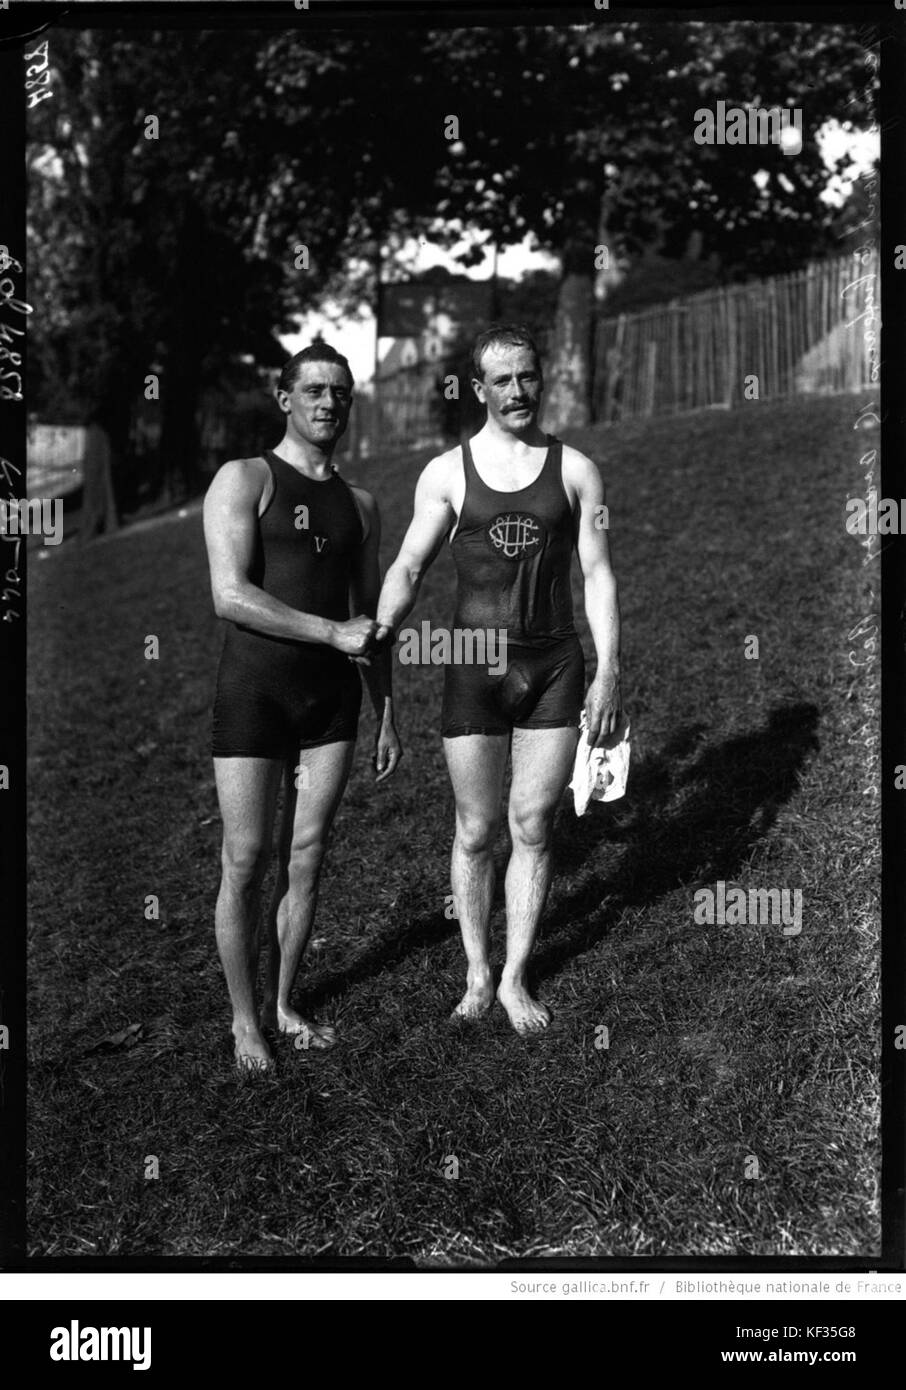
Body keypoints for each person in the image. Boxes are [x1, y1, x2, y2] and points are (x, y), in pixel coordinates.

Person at [376, 325, 621, 1035]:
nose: (518, 391)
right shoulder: (445, 474)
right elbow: (409, 566)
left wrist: (610, 670)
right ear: (477, 389)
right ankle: (476, 971)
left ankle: (515, 977)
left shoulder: (577, 470)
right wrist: (384, 623)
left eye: (528, 376)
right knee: (479, 829)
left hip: (553, 662)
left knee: (534, 825)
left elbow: (598, 570)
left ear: (541, 380)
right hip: (474, 663)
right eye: (502, 380)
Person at [203, 343, 402, 1072]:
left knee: (307, 857)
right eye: (314, 390)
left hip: (331, 705)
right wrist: (329, 632)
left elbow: (370, 620)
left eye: (341, 393)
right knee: (246, 857)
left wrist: (387, 709)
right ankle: (243, 1018)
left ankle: (286, 1004)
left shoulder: (362, 506)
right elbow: (228, 596)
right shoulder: (245, 478)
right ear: (284, 398)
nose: (328, 403)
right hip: (255, 692)